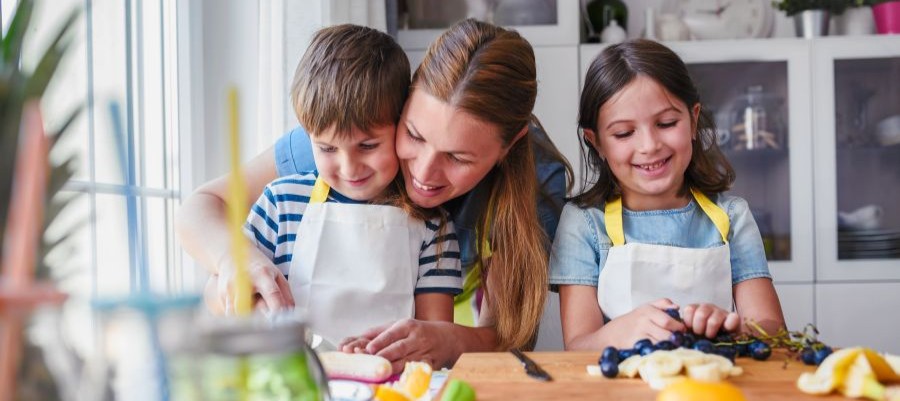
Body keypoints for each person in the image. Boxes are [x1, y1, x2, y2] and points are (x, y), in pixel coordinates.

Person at [176, 18, 571, 372]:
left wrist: (446, 339)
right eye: (414, 135)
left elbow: (506, 333)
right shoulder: (347, 135)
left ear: (509, 146)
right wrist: (235, 264)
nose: (423, 171)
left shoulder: (535, 182)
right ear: (404, 103)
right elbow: (203, 206)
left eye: (458, 157)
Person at [549, 39, 784, 351]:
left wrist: (732, 328)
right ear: (596, 143)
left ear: (693, 120)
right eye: (623, 133)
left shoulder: (732, 216)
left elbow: (773, 332)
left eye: (666, 123)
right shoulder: (583, 222)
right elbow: (578, 346)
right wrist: (620, 331)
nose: (649, 145)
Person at [236, 24, 462, 346]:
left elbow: (434, 341)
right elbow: (227, 294)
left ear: (402, 126)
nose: (348, 167)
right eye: (327, 148)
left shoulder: (432, 226)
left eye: (367, 146)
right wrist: (257, 310)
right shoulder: (280, 204)